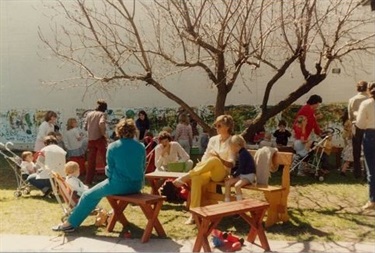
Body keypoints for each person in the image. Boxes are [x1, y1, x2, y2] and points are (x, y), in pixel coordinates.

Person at [52, 118, 146, 232]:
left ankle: (70, 223)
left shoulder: (113, 147)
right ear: (134, 131)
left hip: (119, 184)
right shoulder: (140, 146)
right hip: (137, 185)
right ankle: (72, 221)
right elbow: (142, 167)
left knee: (88, 195)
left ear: (118, 131)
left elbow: (109, 170)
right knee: (94, 193)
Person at [173, 115, 236, 225]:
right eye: (215, 125)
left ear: (227, 127)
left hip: (222, 173)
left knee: (215, 160)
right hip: (207, 170)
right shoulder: (212, 139)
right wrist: (202, 166)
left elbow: (232, 163)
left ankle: (185, 177)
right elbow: (205, 157)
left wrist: (219, 158)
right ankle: (194, 214)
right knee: (196, 178)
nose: (216, 127)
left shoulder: (232, 141)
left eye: (219, 125)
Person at [292, 95, 323, 176]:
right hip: (302, 135)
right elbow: (299, 123)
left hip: (305, 134)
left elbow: (314, 124)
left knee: (307, 152)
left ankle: (300, 169)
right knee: (304, 153)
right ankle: (298, 168)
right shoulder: (306, 109)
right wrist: (302, 136)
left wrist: (320, 133)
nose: (318, 106)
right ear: (314, 103)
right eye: (318, 104)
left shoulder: (310, 111)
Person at [356, 82, 375, 210]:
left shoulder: (366, 104)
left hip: (371, 135)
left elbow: (360, 124)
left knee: (372, 169)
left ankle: (373, 200)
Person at [224, 135, 256, 202]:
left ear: (236, 145)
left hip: (249, 176)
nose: (230, 148)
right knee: (227, 183)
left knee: (237, 186)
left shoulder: (243, 154)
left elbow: (241, 168)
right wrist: (233, 176)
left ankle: (240, 205)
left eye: (231, 147)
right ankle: (227, 203)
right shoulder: (240, 153)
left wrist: (233, 176)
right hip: (242, 175)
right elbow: (239, 168)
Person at [84, 99, 108, 185]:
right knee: (106, 159)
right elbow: (101, 124)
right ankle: (110, 177)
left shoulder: (89, 114)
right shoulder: (102, 114)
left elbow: (85, 127)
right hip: (99, 138)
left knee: (91, 161)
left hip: (91, 139)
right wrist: (103, 134)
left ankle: (88, 180)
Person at [348, 80, 369, 179]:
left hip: (356, 126)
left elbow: (350, 116)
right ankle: (367, 172)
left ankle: (357, 172)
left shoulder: (352, 99)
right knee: (368, 150)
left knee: (356, 151)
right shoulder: (370, 99)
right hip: (368, 126)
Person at [340, 108, 354, 176]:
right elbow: (351, 130)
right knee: (349, 158)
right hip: (350, 139)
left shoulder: (345, 121)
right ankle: (343, 170)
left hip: (347, 139)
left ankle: (343, 169)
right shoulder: (349, 121)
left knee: (348, 158)